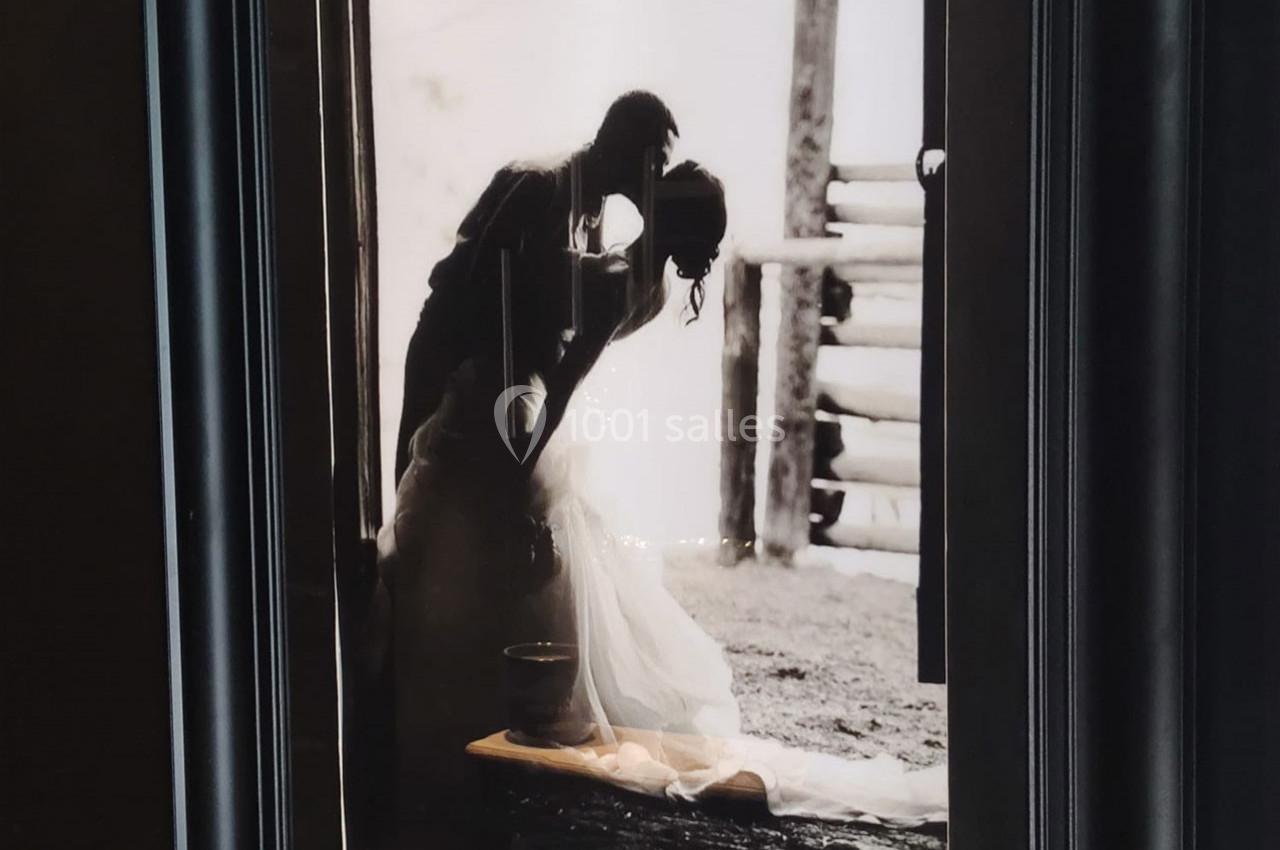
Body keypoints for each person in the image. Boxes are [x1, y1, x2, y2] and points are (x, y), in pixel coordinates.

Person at [380, 153, 728, 828]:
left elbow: (564, 378)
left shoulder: (622, 276)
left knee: (487, 569)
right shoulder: (631, 269)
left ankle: (469, 734)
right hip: (521, 397)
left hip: (526, 414)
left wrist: (522, 467)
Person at [392, 90, 680, 484]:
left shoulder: (592, 205)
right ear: (627, 147)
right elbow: (478, 286)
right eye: (657, 163)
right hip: (449, 363)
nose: (659, 180)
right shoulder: (538, 184)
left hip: (502, 385)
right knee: (420, 501)